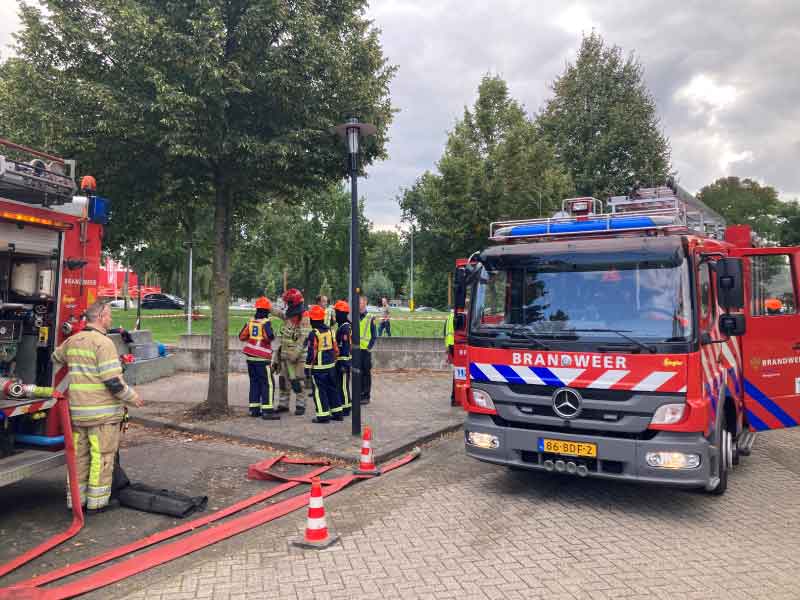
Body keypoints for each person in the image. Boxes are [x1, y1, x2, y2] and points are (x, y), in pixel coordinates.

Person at [52, 300, 143, 513]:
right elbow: (112, 382)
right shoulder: (104, 344)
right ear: (101, 317)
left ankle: (75, 500)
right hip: (102, 415)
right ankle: (97, 503)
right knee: (101, 458)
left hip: (78, 413)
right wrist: (133, 398)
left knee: (79, 458)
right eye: (109, 315)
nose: (111, 319)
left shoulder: (73, 341)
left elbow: (55, 357)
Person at [238, 297, 278, 420]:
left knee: (254, 383)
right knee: (267, 384)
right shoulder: (265, 322)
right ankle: (267, 410)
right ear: (266, 310)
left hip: (250, 358)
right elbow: (269, 337)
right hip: (262, 358)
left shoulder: (250, 322)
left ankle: (254, 409)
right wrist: (273, 332)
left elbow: (242, 336)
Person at [271, 288, 310, 416]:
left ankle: (300, 405)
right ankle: (283, 404)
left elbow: (304, 338)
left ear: (294, 302)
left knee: (298, 380)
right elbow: (280, 314)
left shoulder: (304, 315)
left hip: (297, 356)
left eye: (288, 302)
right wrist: (267, 307)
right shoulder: (289, 313)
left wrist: (296, 353)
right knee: (283, 380)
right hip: (285, 354)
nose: (286, 305)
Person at [305, 304, 341, 423]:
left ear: (313, 320)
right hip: (331, 366)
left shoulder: (313, 333)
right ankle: (337, 413)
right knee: (333, 389)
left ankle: (323, 415)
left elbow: (311, 353)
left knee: (320, 391)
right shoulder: (330, 331)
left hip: (319, 368)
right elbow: (336, 349)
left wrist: (307, 367)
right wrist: (334, 360)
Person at [333, 300, 352, 417]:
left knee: (343, 385)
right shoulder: (342, 326)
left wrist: (344, 364)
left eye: (336, 312)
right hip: (340, 360)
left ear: (341, 314)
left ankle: (346, 407)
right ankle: (342, 404)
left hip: (344, 362)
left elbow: (345, 346)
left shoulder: (345, 328)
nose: (335, 315)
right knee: (340, 385)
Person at [358, 295, 377, 404]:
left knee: (366, 373)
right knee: (358, 373)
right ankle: (358, 394)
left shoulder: (371, 317)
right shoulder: (354, 316)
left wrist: (369, 348)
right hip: (356, 350)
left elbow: (374, 335)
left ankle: (366, 396)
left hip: (365, 351)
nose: (358, 304)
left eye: (360, 302)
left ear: (365, 303)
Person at [444, 309, 456, 406]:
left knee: (456, 371)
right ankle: (455, 397)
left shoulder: (449, 316)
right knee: (458, 372)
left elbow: (445, 332)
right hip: (456, 344)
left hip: (450, 344)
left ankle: (454, 397)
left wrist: (447, 346)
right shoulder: (457, 316)